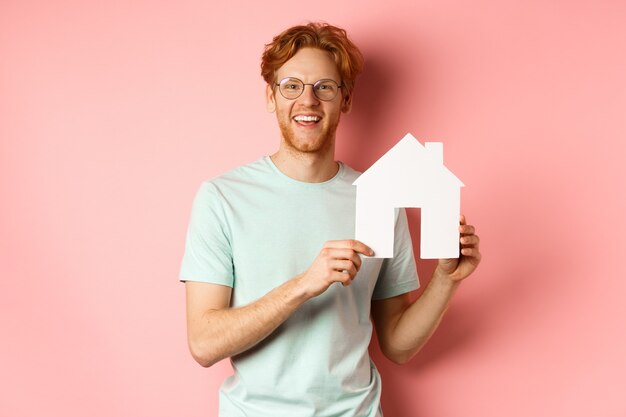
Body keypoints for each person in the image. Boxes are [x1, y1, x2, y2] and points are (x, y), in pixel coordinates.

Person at [179, 22, 481, 417]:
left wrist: (446, 279)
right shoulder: (222, 198)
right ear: (271, 96)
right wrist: (305, 284)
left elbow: (397, 345)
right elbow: (204, 344)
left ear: (346, 100)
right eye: (291, 86)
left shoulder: (381, 198)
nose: (308, 100)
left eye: (324, 86)